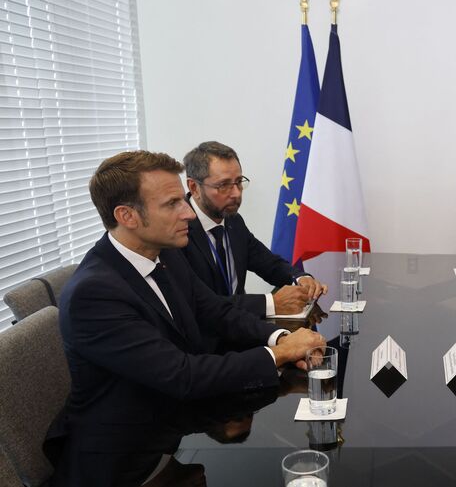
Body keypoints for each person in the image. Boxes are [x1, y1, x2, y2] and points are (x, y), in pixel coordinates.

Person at [43, 150, 326, 486]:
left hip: (175, 426)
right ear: (127, 216)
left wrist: (279, 338)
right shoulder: (94, 294)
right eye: (172, 203)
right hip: (124, 461)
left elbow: (217, 312)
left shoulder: (165, 256)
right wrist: (281, 353)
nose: (188, 213)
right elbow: (182, 375)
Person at [181, 141, 327, 319]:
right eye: (224, 185)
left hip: (242, 327)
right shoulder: (177, 230)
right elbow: (201, 303)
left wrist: (300, 277)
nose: (236, 193)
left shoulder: (233, 221)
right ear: (194, 187)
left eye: (239, 182)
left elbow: (269, 263)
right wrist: (271, 303)